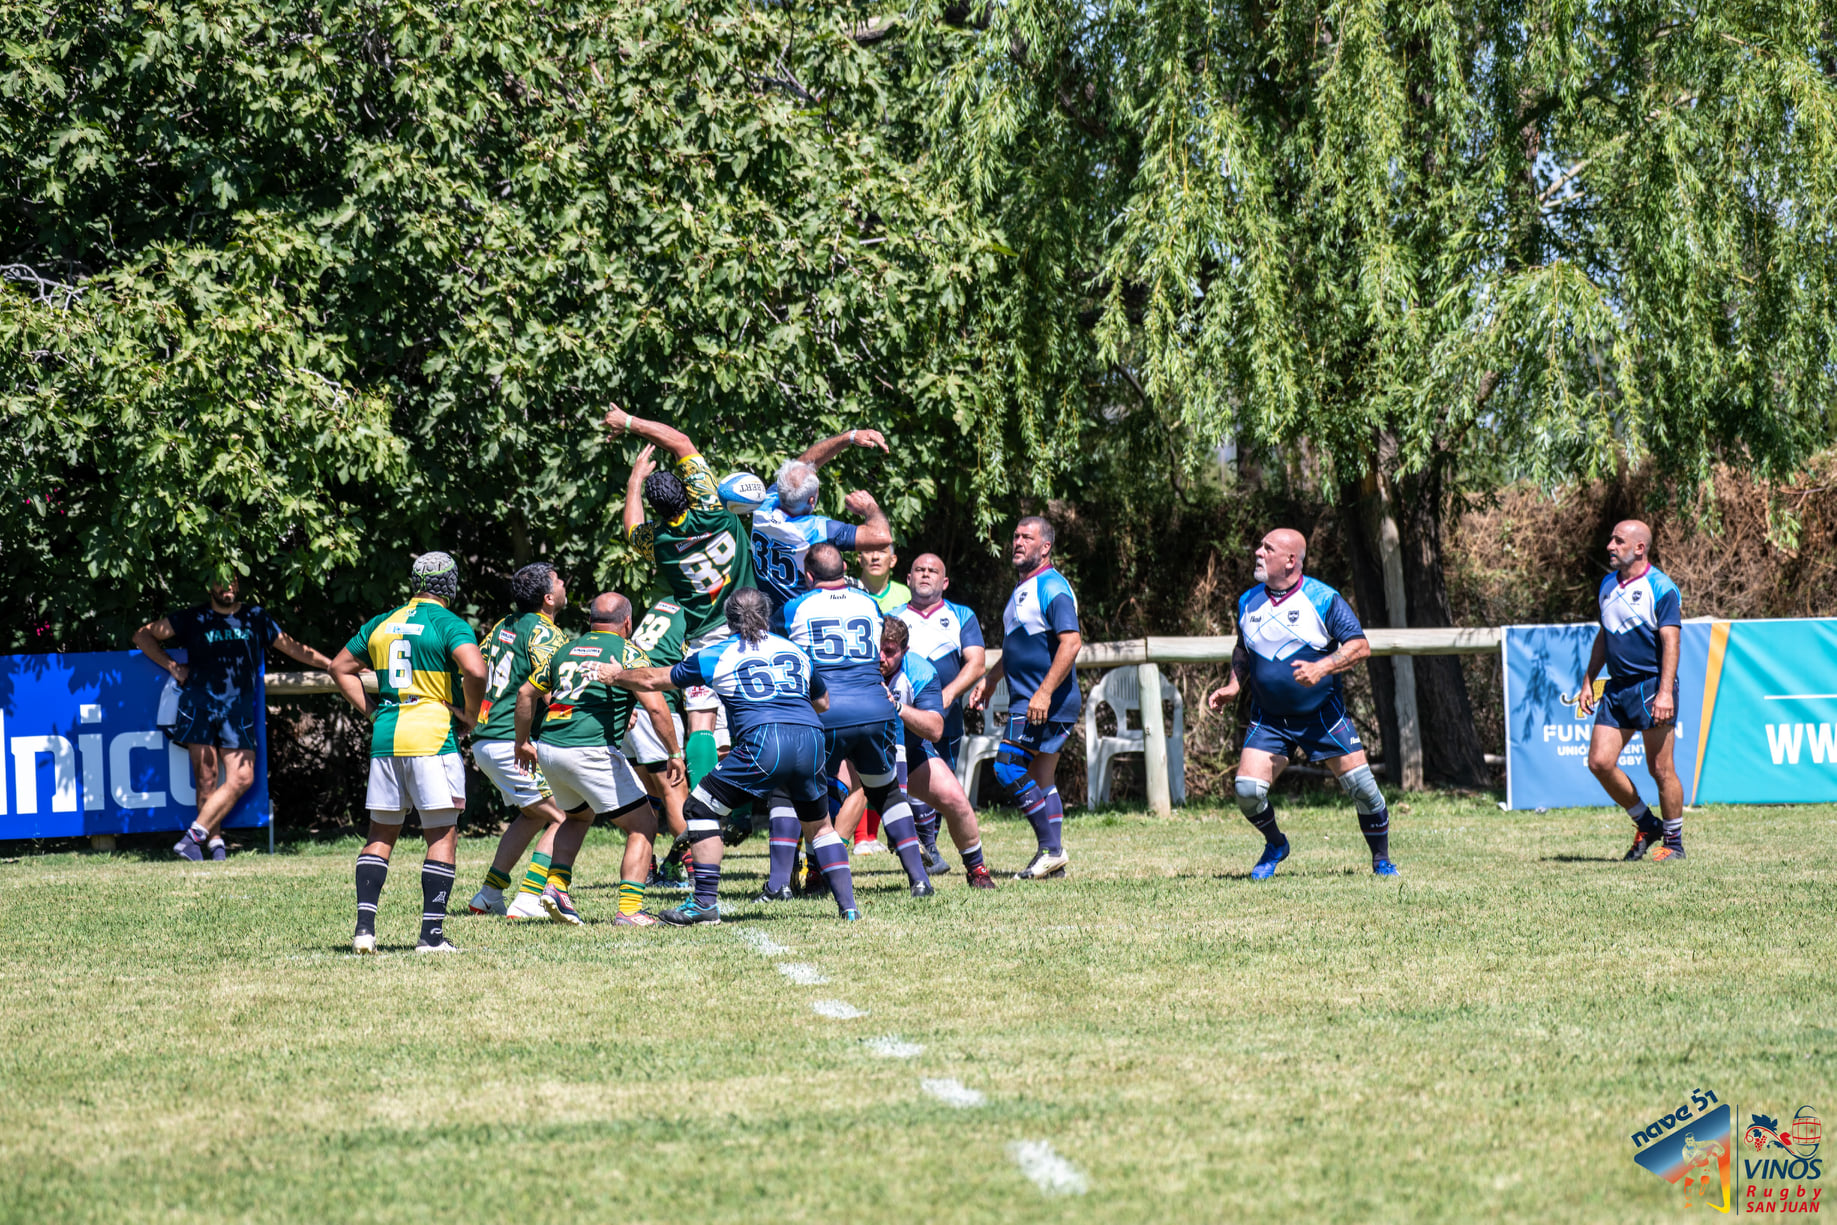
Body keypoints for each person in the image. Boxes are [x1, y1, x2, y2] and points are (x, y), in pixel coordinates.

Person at [602, 586, 861, 924]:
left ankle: (705, 904)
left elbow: (655, 679)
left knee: (698, 807)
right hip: (812, 737)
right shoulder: (796, 650)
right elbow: (823, 703)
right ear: (766, 615)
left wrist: (615, 675)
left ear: (728, 619)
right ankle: (849, 908)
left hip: (765, 739)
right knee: (820, 825)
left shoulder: (715, 653)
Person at [1205, 529, 1398, 879]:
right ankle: (1276, 844)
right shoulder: (1248, 601)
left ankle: (1382, 861)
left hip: (1321, 717)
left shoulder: (1323, 598)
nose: (1258, 553)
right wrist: (1234, 685)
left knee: (1364, 790)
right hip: (1269, 719)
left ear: (1291, 560)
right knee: (1247, 792)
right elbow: (1243, 648)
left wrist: (1321, 667)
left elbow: (1360, 646)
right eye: (1260, 546)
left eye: (1268, 548)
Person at [328, 552, 487, 954]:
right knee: (441, 833)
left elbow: (339, 668)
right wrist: (470, 713)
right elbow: (477, 670)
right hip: (431, 737)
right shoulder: (448, 623)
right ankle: (430, 937)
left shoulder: (383, 622)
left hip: (387, 737)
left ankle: (364, 930)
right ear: (450, 585)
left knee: (381, 833)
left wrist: (372, 711)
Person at [607, 406, 755, 796]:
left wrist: (635, 480)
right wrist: (629, 422)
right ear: (689, 493)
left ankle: (711, 804)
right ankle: (746, 802)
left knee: (702, 722)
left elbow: (631, 527)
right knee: (753, 712)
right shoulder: (713, 511)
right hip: (749, 622)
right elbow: (681, 443)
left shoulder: (659, 542)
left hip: (705, 635)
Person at [135, 575, 333, 861]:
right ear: (209, 585)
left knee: (242, 776)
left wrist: (332, 665)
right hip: (197, 706)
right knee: (206, 779)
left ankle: (193, 836)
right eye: (219, 582)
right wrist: (174, 667)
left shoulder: (255, 617)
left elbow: (292, 647)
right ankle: (213, 846)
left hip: (237, 709)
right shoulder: (194, 617)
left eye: (231, 582)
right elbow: (143, 635)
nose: (226, 587)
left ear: (238, 584)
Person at [773, 544, 932, 899]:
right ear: (845, 568)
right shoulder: (868, 603)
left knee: (788, 790)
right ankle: (919, 879)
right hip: (875, 708)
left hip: (825, 710)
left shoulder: (795, 607)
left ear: (808, 576)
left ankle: (781, 884)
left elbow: (778, 652)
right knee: (887, 792)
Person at [515, 592, 679, 926]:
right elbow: (657, 707)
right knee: (644, 824)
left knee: (577, 817)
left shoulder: (565, 649)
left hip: (550, 748)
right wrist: (675, 752)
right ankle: (630, 911)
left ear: (591, 620)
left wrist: (521, 742)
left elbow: (526, 693)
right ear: (628, 623)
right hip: (589, 750)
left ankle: (556, 886)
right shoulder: (628, 651)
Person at [969, 517, 1082, 880]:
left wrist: (1044, 693)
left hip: (1041, 701)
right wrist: (989, 681)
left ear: (1045, 547)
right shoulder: (1023, 587)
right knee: (1042, 776)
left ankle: (1052, 849)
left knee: (1006, 767)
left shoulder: (1052, 586)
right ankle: (1053, 864)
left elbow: (1072, 642)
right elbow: (1016, 646)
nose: (1017, 542)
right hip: (1029, 698)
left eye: (1026, 537)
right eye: (1015, 536)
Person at [466, 562, 573, 920]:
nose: (563, 585)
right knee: (565, 815)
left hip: (485, 738)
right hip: (511, 741)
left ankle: (488, 895)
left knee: (532, 815)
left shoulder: (502, 625)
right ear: (547, 598)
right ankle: (529, 899)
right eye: (558, 582)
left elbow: (478, 668)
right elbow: (551, 691)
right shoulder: (545, 633)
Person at [1576, 520, 1685, 862]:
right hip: (1616, 689)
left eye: (1618, 541)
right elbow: (1604, 636)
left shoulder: (1660, 587)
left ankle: (1674, 843)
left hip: (1652, 686)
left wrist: (1665, 692)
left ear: (1640, 548)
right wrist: (1587, 680)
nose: (1610, 545)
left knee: (1660, 769)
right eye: (1611, 539)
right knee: (1599, 762)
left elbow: (1672, 641)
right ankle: (1645, 822)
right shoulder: (1608, 584)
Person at [878, 617, 998, 889]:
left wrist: (897, 706)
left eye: (889, 651)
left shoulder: (920, 671)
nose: (881, 657)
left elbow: (935, 729)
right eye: (877, 648)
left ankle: (977, 870)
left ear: (905, 652)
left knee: (956, 800)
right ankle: (816, 871)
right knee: (836, 798)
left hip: (909, 748)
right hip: (860, 752)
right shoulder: (859, 665)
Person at [896, 552, 987, 870]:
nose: (925, 574)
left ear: (945, 582)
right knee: (903, 783)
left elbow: (976, 662)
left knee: (940, 784)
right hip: (899, 718)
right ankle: (926, 849)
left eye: (932, 571)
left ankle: (929, 849)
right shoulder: (891, 618)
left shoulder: (962, 615)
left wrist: (946, 697)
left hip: (944, 716)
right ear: (907, 579)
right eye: (918, 570)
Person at [749, 429, 894, 625]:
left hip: (764, 615)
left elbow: (804, 465)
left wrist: (850, 437)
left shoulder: (764, 507)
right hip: (798, 620)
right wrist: (870, 507)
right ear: (811, 501)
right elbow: (881, 537)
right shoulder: (815, 529)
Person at [623, 595, 693, 889]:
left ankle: (649, 869)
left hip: (628, 706)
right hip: (654, 706)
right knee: (674, 791)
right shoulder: (702, 609)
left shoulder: (665, 602)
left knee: (646, 794)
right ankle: (694, 872)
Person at [856, 542, 910, 612]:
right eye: (869, 551)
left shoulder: (904, 594)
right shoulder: (848, 592)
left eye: (882, 551)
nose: (875, 557)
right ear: (860, 560)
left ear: (892, 560)